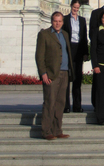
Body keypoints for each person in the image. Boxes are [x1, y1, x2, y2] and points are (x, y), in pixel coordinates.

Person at [35, 11, 73, 140]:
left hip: (64, 72)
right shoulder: (44, 35)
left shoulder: (65, 34)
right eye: (55, 21)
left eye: (60, 21)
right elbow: (39, 56)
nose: (58, 23)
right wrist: (43, 73)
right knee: (49, 102)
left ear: (63, 22)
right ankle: (46, 131)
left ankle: (57, 130)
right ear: (51, 21)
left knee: (60, 103)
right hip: (51, 74)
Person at [62, 0, 89, 113]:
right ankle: (66, 105)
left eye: (77, 8)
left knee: (77, 78)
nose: (75, 10)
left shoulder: (82, 20)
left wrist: (85, 52)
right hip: (69, 48)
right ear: (71, 6)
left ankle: (77, 105)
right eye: (74, 8)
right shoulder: (65, 19)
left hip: (78, 49)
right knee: (67, 78)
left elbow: (84, 37)